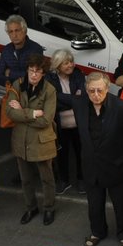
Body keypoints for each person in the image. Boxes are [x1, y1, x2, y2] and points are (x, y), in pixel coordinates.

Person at [74, 73, 123, 246]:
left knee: (122, 204)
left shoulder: (122, 108)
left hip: (117, 165)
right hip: (91, 166)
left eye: (99, 90)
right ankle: (97, 232)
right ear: (86, 90)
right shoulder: (79, 105)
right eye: (92, 91)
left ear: (108, 89)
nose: (96, 94)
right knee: (94, 204)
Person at [8, 55, 59, 226]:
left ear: (43, 73)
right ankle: (31, 207)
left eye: (38, 71)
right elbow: (10, 112)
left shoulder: (50, 90)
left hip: (41, 141)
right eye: (31, 70)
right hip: (21, 139)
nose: (34, 75)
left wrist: (22, 111)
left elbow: (46, 120)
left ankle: (49, 208)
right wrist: (31, 113)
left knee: (47, 177)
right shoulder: (17, 84)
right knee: (25, 178)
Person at [48, 49, 87, 193]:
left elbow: (82, 99)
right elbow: (51, 101)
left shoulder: (78, 75)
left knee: (81, 154)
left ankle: (82, 180)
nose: (70, 65)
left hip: (78, 124)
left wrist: (61, 97)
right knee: (61, 155)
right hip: (60, 125)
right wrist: (73, 99)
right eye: (66, 63)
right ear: (58, 65)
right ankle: (64, 180)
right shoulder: (49, 79)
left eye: (71, 62)